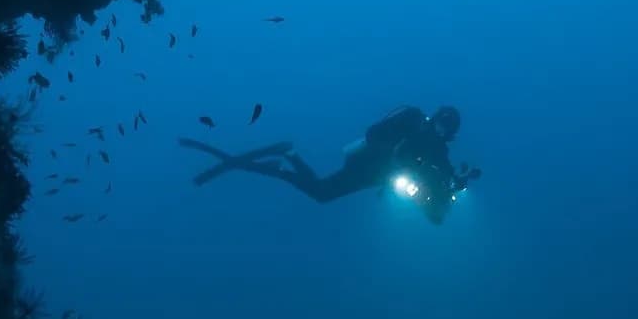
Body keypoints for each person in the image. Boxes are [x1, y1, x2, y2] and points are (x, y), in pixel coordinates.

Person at [177, 105, 478, 223]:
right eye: (438, 125)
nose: (438, 132)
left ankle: (290, 156)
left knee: (321, 193)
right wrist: (394, 152)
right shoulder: (411, 119)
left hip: (380, 178)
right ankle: (289, 156)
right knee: (322, 193)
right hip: (368, 165)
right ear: (434, 118)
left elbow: (444, 169)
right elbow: (374, 133)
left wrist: (456, 184)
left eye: (444, 131)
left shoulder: (438, 147)